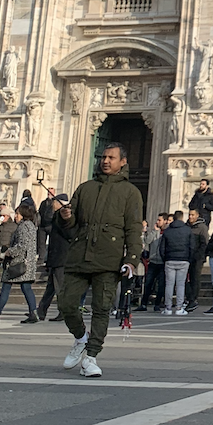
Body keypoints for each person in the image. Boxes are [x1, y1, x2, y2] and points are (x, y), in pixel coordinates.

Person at [57, 141, 144, 377]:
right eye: (103, 157)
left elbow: (134, 229)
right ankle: (80, 337)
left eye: (111, 158)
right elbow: (70, 224)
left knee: (102, 308)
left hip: (109, 257)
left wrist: (131, 259)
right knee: (66, 303)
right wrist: (65, 216)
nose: (105, 161)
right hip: (80, 255)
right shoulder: (85, 188)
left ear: (123, 162)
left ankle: (91, 356)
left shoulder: (130, 193)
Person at [0, 200, 40, 324]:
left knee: (6, 286)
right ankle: (33, 313)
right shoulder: (31, 226)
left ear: (23, 214)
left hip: (18, 263)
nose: (15, 216)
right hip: (27, 263)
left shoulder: (24, 226)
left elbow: (22, 245)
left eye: (17, 214)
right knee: (26, 287)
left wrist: (8, 252)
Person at [36, 192, 70, 321]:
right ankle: (41, 310)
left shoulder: (64, 218)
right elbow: (46, 220)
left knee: (59, 286)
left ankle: (63, 311)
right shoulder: (56, 216)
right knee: (51, 286)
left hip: (61, 257)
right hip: (55, 257)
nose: (52, 204)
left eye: (55, 202)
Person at [161, 210, 194, 315]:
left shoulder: (167, 231)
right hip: (183, 260)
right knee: (180, 285)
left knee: (169, 284)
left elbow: (161, 248)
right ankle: (179, 308)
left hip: (170, 259)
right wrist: (189, 258)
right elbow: (192, 246)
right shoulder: (188, 230)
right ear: (182, 217)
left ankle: (168, 308)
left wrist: (165, 258)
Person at [138, 213, 169, 312]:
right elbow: (147, 241)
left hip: (162, 262)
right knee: (148, 283)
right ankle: (143, 304)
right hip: (153, 261)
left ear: (165, 221)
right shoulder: (155, 231)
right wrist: (153, 231)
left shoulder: (168, 232)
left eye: (160, 220)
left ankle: (157, 304)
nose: (157, 222)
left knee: (161, 285)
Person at [184, 208, 209, 311]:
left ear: (197, 215)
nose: (190, 217)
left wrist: (199, 255)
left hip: (198, 257)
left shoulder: (202, 227)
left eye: (193, 215)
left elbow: (205, 243)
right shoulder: (186, 226)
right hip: (187, 256)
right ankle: (189, 297)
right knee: (185, 279)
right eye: (189, 215)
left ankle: (193, 299)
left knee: (195, 278)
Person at [37, 187, 57, 263]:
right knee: (41, 243)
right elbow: (40, 212)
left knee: (52, 243)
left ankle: (50, 259)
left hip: (51, 225)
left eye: (51, 192)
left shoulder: (55, 202)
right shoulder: (43, 203)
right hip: (42, 225)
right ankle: (41, 258)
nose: (49, 194)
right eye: (48, 192)